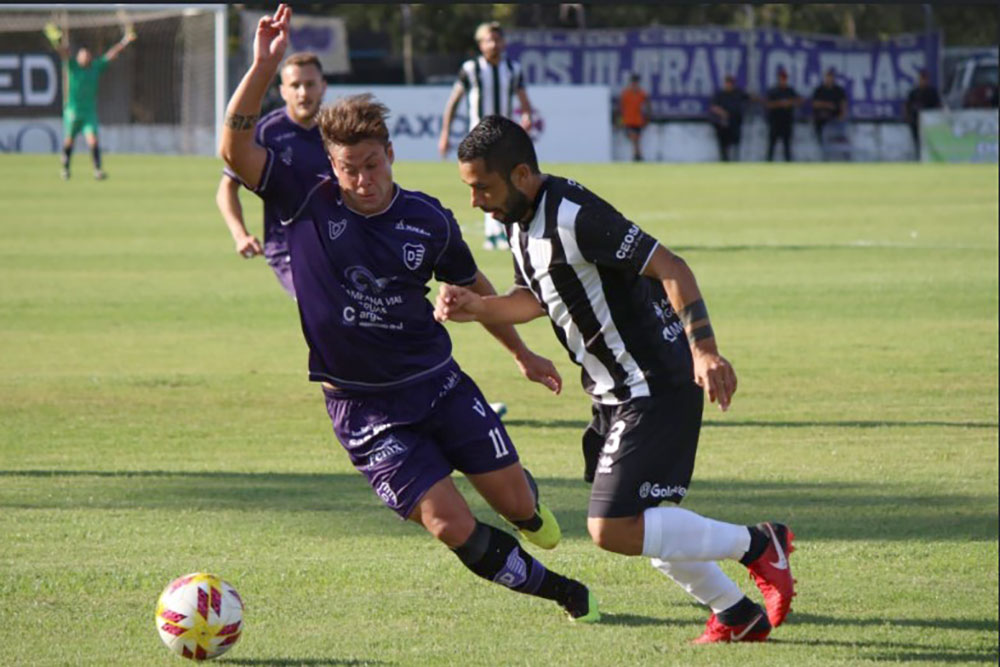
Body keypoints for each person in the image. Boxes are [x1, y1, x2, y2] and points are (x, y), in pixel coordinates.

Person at [219, 5, 598, 623]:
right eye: (348, 169)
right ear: (331, 165)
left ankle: (528, 510)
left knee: (516, 504)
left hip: (437, 384)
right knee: (450, 524)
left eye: (372, 165)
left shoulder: (428, 219)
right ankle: (564, 593)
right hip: (362, 409)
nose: (362, 180)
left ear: (390, 154)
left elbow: (473, 287)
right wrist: (263, 65)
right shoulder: (303, 200)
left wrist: (522, 353)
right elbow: (234, 149)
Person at [436, 115, 797, 643]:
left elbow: (671, 266)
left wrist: (705, 350)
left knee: (612, 526)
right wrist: (478, 306)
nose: (475, 201)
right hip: (613, 390)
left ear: (520, 175)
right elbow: (535, 296)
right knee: (645, 522)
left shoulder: (575, 216)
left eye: (482, 188)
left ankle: (760, 544)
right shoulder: (518, 219)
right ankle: (736, 615)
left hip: (653, 382)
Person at [215, 52, 329, 299]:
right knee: (321, 302)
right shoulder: (266, 132)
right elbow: (226, 188)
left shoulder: (337, 130)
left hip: (336, 242)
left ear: (323, 86)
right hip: (288, 248)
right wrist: (240, 235)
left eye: (310, 84)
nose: (303, 93)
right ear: (283, 91)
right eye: (295, 85)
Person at [439, 21, 533, 251]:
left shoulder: (512, 69)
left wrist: (527, 116)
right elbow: (453, 102)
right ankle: (494, 233)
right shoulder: (471, 69)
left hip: (504, 137)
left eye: (497, 39)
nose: (494, 44)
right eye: (489, 40)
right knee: (485, 182)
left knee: (504, 180)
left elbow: (523, 98)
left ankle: (500, 231)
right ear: (480, 44)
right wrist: (445, 133)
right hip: (479, 138)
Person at [44, 21, 136, 180]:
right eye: (82, 55)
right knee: (69, 141)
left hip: (88, 113)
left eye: (87, 55)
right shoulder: (72, 66)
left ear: (90, 57)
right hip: (73, 111)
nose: (85, 57)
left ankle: (97, 170)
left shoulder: (95, 67)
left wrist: (125, 40)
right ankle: (65, 169)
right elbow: (63, 52)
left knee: (93, 141)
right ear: (78, 57)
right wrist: (56, 41)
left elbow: (112, 54)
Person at [708, 75, 749, 162]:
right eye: (727, 83)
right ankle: (724, 160)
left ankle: (735, 161)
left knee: (735, 144)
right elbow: (713, 107)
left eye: (730, 83)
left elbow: (750, 98)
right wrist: (722, 113)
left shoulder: (738, 93)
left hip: (735, 123)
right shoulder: (720, 94)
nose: (728, 85)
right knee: (723, 144)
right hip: (723, 124)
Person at [764, 68, 802, 162]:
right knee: (771, 146)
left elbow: (799, 101)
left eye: (784, 78)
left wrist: (790, 102)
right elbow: (768, 104)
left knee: (787, 146)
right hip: (775, 122)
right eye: (781, 78)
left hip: (787, 122)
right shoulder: (773, 91)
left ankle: (788, 164)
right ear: (778, 79)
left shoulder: (790, 91)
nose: (783, 80)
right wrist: (780, 103)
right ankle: (768, 165)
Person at [810, 68, 848, 160]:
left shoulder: (838, 90)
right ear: (825, 77)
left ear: (833, 78)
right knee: (823, 141)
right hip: (821, 120)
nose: (829, 78)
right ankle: (825, 158)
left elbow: (843, 103)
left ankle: (843, 157)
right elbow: (814, 103)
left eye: (831, 76)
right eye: (827, 76)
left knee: (839, 140)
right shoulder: (819, 90)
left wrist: (843, 114)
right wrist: (827, 105)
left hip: (835, 120)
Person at [904, 69, 942, 160]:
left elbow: (938, 106)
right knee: (918, 141)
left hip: (930, 123)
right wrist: (908, 117)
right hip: (916, 122)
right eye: (921, 79)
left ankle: (931, 158)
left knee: (930, 142)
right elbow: (907, 105)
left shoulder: (932, 92)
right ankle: (920, 158)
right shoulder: (914, 92)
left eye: (925, 79)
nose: (923, 81)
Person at [619, 73, 650, 162]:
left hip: (638, 121)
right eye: (633, 82)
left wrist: (647, 118)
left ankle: (637, 156)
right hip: (628, 120)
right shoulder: (626, 94)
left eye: (636, 82)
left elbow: (648, 105)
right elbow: (621, 108)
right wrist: (620, 121)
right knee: (634, 138)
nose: (634, 84)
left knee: (637, 139)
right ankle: (637, 156)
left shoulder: (642, 93)